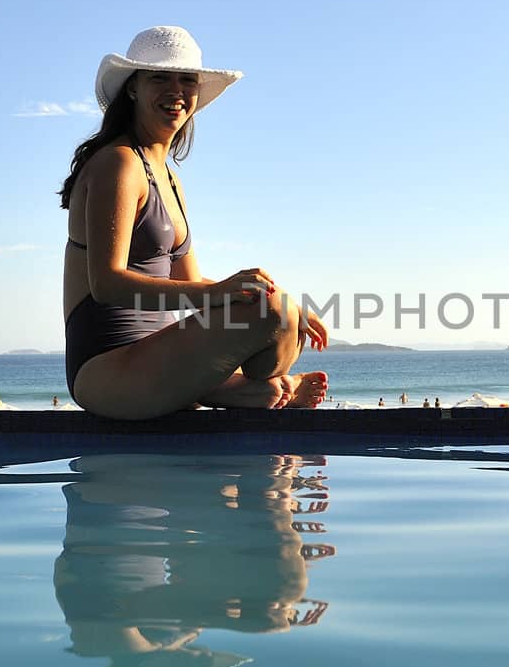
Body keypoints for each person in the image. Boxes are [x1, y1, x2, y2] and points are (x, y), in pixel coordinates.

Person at [60, 26, 329, 418]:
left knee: (275, 300)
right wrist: (235, 296)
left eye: (187, 80)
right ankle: (234, 389)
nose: (176, 91)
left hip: (164, 356)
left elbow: (190, 283)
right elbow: (106, 284)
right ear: (133, 88)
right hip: (107, 372)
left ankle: (234, 388)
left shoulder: (168, 178)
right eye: (160, 78)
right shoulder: (118, 163)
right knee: (269, 307)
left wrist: (281, 303)